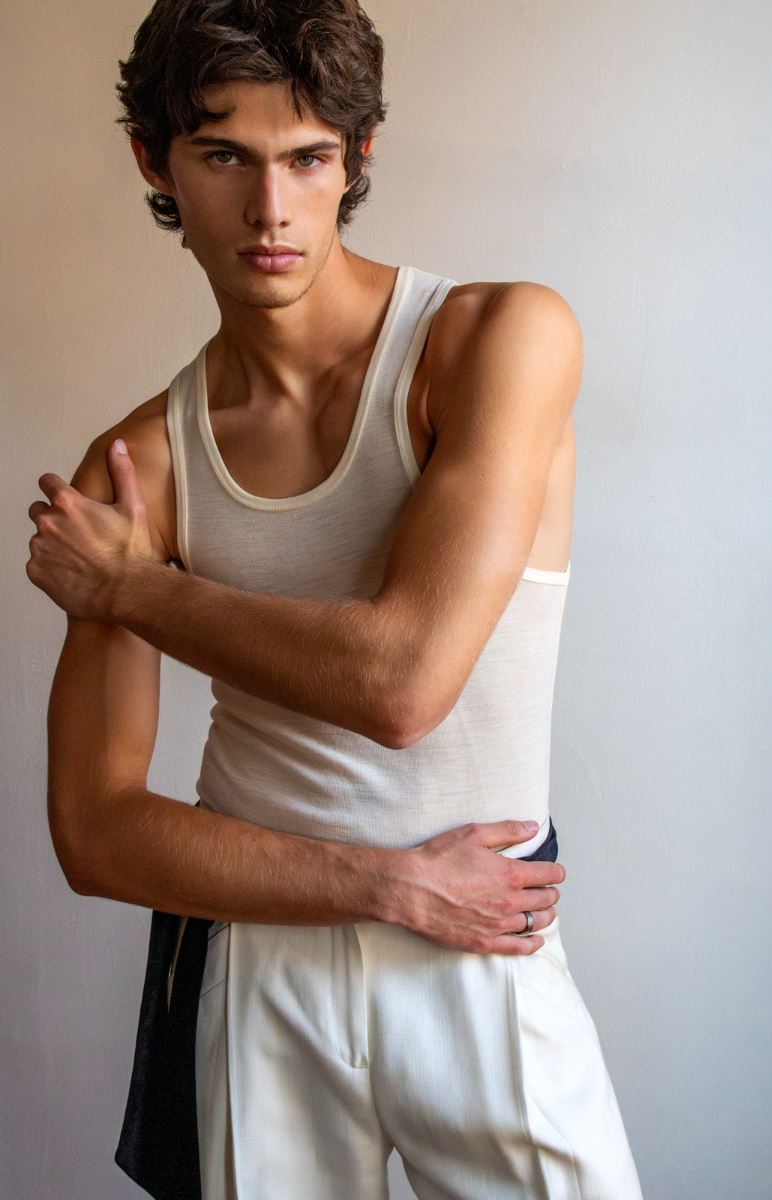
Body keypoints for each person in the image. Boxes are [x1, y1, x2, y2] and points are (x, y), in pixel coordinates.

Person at [26, 1, 645, 1197]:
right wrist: (388, 883)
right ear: (154, 160)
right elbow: (93, 833)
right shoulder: (142, 466)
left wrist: (131, 589)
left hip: (484, 949)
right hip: (266, 967)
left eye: (308, 159)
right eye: (225, 157)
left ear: (357, 157)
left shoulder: (494, 340)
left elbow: (402, 684)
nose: (272, 210)